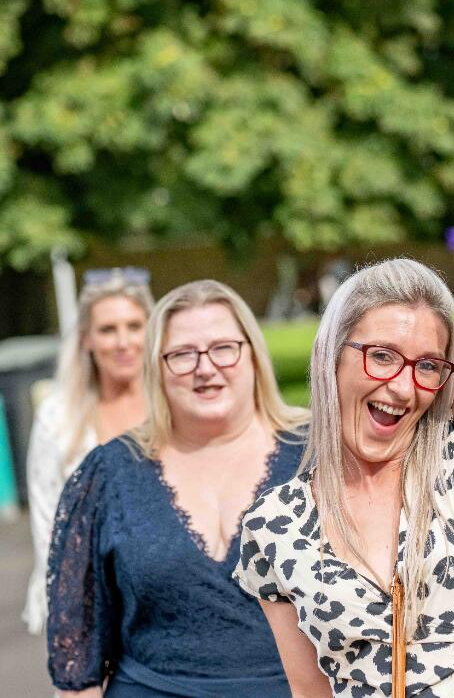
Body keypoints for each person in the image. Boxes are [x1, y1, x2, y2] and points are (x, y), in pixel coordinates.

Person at [233, 0, 454, 696]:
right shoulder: (274, 529)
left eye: (427, 366)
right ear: (334, 357)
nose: (401, 385)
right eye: (380, 356)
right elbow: (310, 693)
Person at [47, 280, 309, 697]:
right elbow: (78, 659)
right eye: (182, 355)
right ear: (156, 367)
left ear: (253, 353)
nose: (205, 368)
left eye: (224, 347)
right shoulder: (109, 474)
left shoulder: (319, 455)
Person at [23, 268, 154, 636]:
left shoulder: (177, 405)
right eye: (107, 330)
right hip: (93, 608)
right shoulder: (59, 417)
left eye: (134, 325)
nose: (123, 342)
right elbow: (49, 527)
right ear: (86, 339)